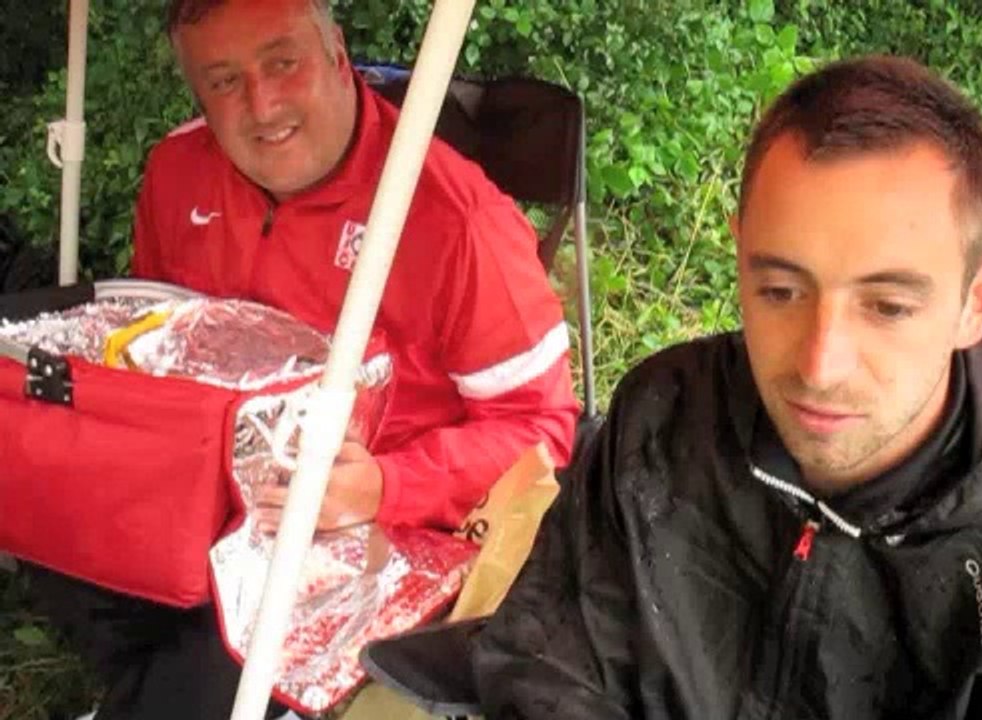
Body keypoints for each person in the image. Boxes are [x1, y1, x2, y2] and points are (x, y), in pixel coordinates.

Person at [473, 55, 982, 719]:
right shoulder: (660, 420)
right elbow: (548, 669)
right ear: (739, 255)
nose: (819, 365)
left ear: (978, 299)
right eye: (780, 290)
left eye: (888, 306)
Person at [24, 1, 579, 718]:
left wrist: (384, 486)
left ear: (337, 53)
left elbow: (544, 430)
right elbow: (159, 340)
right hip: (204, 492)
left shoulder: (455, 219)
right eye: (223, 81)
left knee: (201, 684)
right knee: (54, 534)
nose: (262, 104)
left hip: (377, 530)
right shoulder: (177, 172)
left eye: (282, 62)